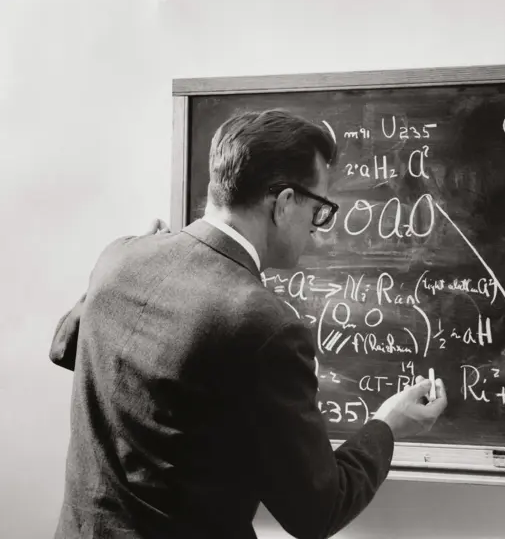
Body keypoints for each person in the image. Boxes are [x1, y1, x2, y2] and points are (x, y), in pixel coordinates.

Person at [50, 109, 448, 539]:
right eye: (320, 209)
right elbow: (318, 511)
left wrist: (132, 259)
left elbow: (64, 347)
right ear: (285, 203)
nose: (319, 230)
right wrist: (386, 425)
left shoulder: (120, 255)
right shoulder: (263, 325)